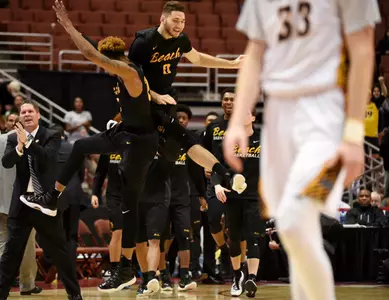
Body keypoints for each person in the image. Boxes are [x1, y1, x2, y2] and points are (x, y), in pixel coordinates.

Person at [223, 1, 380, 300]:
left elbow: (362, 50)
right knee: (295, 231)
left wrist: (354, 132)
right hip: (278, 118)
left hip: (325, 114)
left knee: (295, 221)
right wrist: (236, 121)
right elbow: (255, 53)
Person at [23, 1, 160, 292]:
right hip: (125, 132)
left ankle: (128, 270)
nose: (103, 69)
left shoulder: (129, 72)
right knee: (81, 145)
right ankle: (51, 197)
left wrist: (66, 25)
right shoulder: (121, 73)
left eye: (104, 63)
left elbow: (88, 52)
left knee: (130, 206)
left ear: (113, 60)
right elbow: (91, 45)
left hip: (141, 142)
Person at [127, 1, 245, 192]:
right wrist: (153, 95)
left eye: (182, 21)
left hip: (167, 99)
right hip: (143, 100)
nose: (179, 25)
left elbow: (198, 58)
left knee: (172, 152)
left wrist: (231, 65)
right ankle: (225, 174)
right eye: (175, 20)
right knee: (183, 137)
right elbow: (130, 77)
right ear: (162, 18)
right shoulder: (144, 42)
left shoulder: (181, 40)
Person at [0, 100, 81, 300]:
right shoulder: (13, 138)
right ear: (20, 116)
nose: (26, 114)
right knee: (11, 252)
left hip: (45, 202)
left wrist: (28, 142)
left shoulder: (51, 135)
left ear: (38, 115)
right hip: (22, 203)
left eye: (30, 111)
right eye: (23, 112)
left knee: (60, 252)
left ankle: (75, 294)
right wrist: (19, 147)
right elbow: (6, 162)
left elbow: (47, 158)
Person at [213, 110, 263, 297]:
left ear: (253, 118)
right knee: (234, 238)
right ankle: (236, 277)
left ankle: (251, 279)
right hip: (232, 198)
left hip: (254, 198)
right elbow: (215, 167)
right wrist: (217, 185)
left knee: (253, 237)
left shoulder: (263, 141)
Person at [0, 114, 41, 296]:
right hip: (23, 202)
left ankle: (2, 284)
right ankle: (27, 284)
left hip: (2, 202)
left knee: (3, 244)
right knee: (27, 245)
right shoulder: (28, 141)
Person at [91, 118, 132, 293]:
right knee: (117, 232)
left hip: (131, 195)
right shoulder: (107, 150)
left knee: (131, 235)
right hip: (113, 196)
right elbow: (100, 173)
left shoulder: (132, 148)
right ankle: (115, 270)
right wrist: (94, 193)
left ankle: (127, 270)